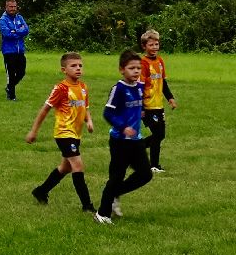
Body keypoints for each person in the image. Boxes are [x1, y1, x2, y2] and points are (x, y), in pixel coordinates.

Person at [26, 52, 96, 212]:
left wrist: (89, 121)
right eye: (73, 66)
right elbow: (45, 110)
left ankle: (41, 191)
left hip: (76, 134)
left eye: (80, 65)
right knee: (78, 166)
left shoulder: (83, 87)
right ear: (64, 70)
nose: (78, 68)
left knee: (65, 168)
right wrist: (33, 131)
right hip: (64, 133)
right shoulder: (61, 88)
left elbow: (85, 107)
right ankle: (87, 206)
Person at [94, 52, 152, 224]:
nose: (136, 71)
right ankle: (102, 214)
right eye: (131, 68)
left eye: (138, 68)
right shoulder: (118, 89)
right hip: (119, 141)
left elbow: (139, 110)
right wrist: (123, 127)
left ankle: (116, 193)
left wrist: (146, 115)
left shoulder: (140, 87)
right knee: (116, 176)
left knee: (145, 174)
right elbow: (108, 113)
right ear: (122, 70)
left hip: (136, 141)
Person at [137, 30, 177, 174]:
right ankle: (153, 165)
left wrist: (170, 98)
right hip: (147, 106)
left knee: (160, 135)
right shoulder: (143, 64)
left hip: (158, 105)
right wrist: (141, 107)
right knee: (158, 134)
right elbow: (139, 87)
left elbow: (163, 82)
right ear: (144, 46)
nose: (154, 47)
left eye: (156, 44)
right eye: (151, 45)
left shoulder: (160, 61)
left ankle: (135, 147)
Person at [0, 0, 30, 101]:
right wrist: (18, 31)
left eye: (14, 7)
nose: (13, 9)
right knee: (11, 74)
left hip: (20, 50)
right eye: (10, 7)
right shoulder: (3, 20)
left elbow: (26, 30)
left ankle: (9, 87)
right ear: (6, 7)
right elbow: (7, 34)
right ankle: (11, 96)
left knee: (21, 72)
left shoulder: (19, 17)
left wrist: (15, 31)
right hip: (9, 51)